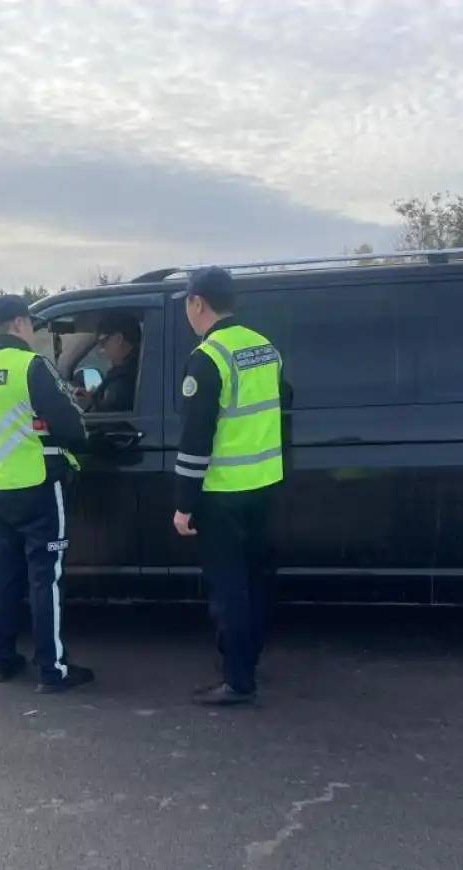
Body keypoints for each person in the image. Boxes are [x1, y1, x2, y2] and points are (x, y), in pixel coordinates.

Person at [0, 295, 95, 693]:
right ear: (19, 324)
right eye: (29, 324)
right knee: (44, 578)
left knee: (4, 576)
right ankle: (53, 670)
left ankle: (2, 660)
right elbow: (73, 428)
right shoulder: (30, 366)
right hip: (38, 485)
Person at [172, 267, 284, 707]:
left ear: (197, 302)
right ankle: (248, 660)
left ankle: (238, 681)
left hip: (224, 494)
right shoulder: (265, 347)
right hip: (264, 486)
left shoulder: (209, 358)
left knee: (229, 590)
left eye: (187, 303)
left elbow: (196, 439)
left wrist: (184, 505)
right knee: (256, 583)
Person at [78, 312, 140, 414]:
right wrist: (92, 398)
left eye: (103, 342)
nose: (100, 349)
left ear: (118, 339)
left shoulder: (123, 382)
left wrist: (89, 404)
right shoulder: (135, 369)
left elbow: (105, 420)